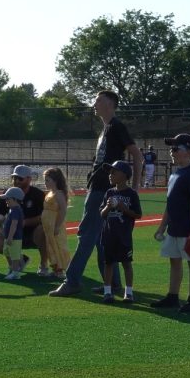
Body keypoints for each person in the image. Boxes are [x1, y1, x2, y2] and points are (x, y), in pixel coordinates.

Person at [50, 90, 143, 297]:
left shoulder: (116, 126)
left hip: (102, 190)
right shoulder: (105, 129)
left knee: (86, 235)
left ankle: (72, 280)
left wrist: (134, 187)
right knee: (101, 238)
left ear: (110, 104)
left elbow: (137, 155)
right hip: (99, 187)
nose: (94, 103)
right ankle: (115, 285)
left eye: (98, 100)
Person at [152, 133, 190, 313]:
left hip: (188, 229)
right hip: (174, 229)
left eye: (175, 148)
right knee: (174, 262)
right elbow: (170, 204)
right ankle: (173, 297)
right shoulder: (175, 174)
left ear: (188, 152)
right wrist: (161, 227)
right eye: (171, 149)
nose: (171, 152)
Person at [0, 165, 46, 274]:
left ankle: (43, 265)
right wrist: (3, 233)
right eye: (14, 178)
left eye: (20, 178)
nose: (16, 181)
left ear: (29, 179)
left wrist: (24, 222)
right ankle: (18, 261)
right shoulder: (8, 193)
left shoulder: (38, 194)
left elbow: (44, 218)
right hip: (13, 234)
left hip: (33, 234)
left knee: (43, 231)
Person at [100, 161, 142, 303]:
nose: (110, 175)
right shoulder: (109, 192)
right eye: (110, 172)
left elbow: (138, 214)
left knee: (126, 263)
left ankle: (128, 292)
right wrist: (107, 207)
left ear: (124, 175)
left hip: (124, 236)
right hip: (109, 235)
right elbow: (102, 214)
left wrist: (123, 208)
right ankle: (107, 292)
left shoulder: (131, 194)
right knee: (108, 263)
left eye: (114, 172)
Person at [41, 167, 73, 279]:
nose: (45, 183)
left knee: (59, 246)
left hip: (55, 226)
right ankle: (56, 269)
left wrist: (57, 226)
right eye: (45, 180)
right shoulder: (50, 193)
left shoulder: (58, 194)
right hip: (48, 227)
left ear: (55, 181)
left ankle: (62, 270)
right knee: (50, 247)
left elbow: (63, 210)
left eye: (47, 180)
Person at [0, 187, 26, 280]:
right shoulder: (12, 209)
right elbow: (9, 222)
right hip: (9, 237)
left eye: (8, 198)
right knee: (7, 252)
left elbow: (14, 225)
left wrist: (10, 237)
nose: (6, 200)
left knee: (14, 256)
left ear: (15, 199)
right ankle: (12, 269)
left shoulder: (15, 210)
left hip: (15, 238)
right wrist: (3, 220)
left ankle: (15, 273)